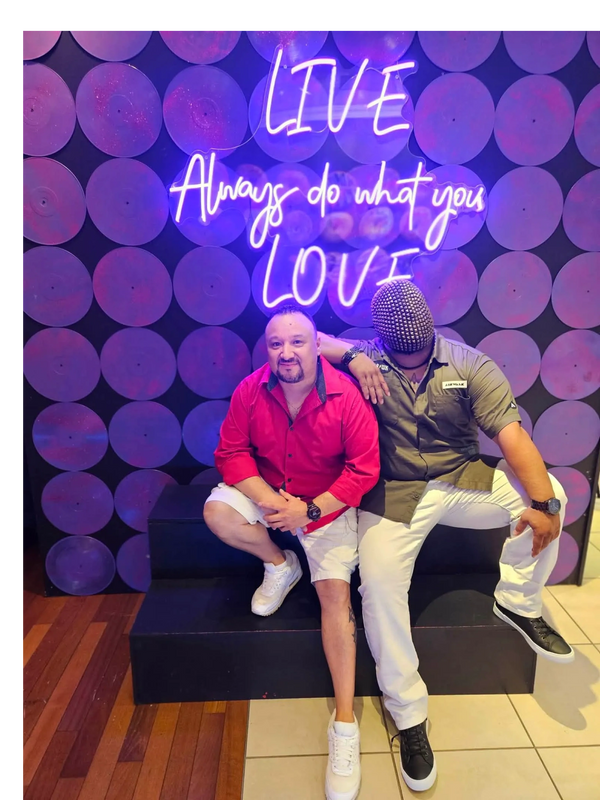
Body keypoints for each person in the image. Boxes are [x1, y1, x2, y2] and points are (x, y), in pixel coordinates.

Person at [318, 279, 573, 793]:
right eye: (399, 358)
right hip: (394, 491)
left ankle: (518, 600)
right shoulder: (368, 355)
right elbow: (304, 336)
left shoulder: (469, 364)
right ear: (383, 342)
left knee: (556, 499)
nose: (410, 366)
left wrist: (542, 506)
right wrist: (352, 356)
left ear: (432, 333)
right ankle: (409, 715)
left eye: (419, 356)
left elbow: (511, 435)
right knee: (380, 586)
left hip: (462, 478)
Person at [203, 304, 380, 800]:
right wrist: (269, 500)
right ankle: (281, 565)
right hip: (272, 493)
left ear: (315, 344)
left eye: (297, 341)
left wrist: (311, 511)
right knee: (218, 514)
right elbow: (231, 453)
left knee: (336, 603)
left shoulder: (348, 396)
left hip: (325, 506)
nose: (286, 352)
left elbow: (363, 471)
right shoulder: (250, 389)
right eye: (276, 343)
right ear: (268, 348)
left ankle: (344, 726)